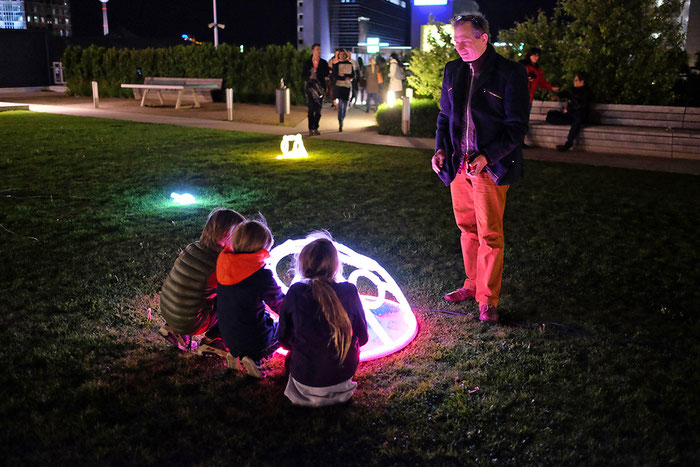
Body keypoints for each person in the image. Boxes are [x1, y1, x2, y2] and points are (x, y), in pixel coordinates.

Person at [431, 14, 529, 324]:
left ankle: (487, 299)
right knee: (467, 229)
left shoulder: (510, 73)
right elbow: (445, 118)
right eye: (455, 41)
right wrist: (440, 149)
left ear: (484, 38)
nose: (458, 46)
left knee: (490, 235)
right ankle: (472, 285)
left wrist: (487, 156)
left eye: (465, 40)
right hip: (459, 167)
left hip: (491, 168)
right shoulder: (453, 71)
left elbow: (516, 127)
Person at [278, 233, 369, 407]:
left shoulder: (296, 292)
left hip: (303, 380)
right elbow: (363, 338)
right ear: (335, 265)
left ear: (302, 265)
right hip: (342, 377)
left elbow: (283, 338)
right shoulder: (349, 291)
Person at [159, 208, 245, 357]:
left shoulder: (192, 247)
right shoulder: (218, 264)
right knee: (238, 304)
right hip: (192, 322)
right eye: (238, 235)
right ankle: (213, 341)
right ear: (224, 235)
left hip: (169, 310)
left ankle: (175, 329)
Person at [216, 219, 284, 378]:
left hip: (228, 335)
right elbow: (280, 304)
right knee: (288, 326)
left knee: (246, 323)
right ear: (262, 250)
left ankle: (234, 354)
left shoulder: (224, 262)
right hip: (254, 337)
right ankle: (256, 357)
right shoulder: (260, 275)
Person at [519, 47, 558, 147]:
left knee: (524, 120)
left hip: (529, 98)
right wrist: (526, 79)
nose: (536, 58)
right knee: (519, 120)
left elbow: (541, 81)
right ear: (530, 55)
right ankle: (517, 142)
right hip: (520, 97)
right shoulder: (523, 65)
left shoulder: (536, 69)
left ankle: (520, 141)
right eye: (534, 55)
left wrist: (551, 88)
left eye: (538, 56)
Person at [545, 72, 594, 151]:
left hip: (580, 114)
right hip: (571, 115)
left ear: (582, 81)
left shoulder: (587, 92)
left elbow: (583, 105)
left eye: (576, 80)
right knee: (551, 115)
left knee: (577, 119)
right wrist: (557, 96)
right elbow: (565, 93)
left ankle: (568, 143)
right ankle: (570, 122)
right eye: (574, 80)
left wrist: (569, 109)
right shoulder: (572, 89)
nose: (574, 82)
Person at [301, 43, 330, 136]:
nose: (319, 51)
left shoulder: (324, 62)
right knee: (311, 109)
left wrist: (318, 72)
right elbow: (303, 75)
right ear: (313, 50)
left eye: (320, 49)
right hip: (310, 88)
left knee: (318, 110)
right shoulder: (307, 62)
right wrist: (309, 77)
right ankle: (310, 128)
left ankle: (315, 127)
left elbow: (327, 74)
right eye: (317, 49)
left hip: (320, 89)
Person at [332, 49, 355, 132]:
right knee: (340, 104)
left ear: (345, 55)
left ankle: (342, 119)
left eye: (343, 54)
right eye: (340, 54)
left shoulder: (349, 64)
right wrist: (344, 77)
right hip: (339, 86)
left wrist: (342, 75)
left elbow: (352, 75)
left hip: (347, 87)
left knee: (345, 105)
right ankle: (340, 122)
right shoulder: (336, 64)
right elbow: (334, 75)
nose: (342, 56)